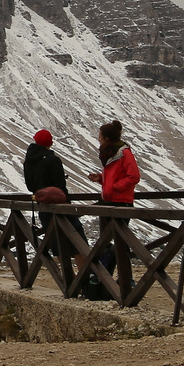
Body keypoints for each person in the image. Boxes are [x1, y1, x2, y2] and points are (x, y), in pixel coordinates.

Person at [84, 120, 140, 300]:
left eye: (99, 136)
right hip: (109, 201)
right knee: (107, 243)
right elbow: (119, 177)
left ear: (106, 138)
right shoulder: (110, 155)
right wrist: (101, 179)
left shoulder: (124, 153)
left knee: (120, 243)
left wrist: (114, 187)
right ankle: (106, 280)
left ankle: (127, 281)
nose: (98, 139)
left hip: (121, 202)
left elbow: (134, 176)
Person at [22, 129, 76, 268]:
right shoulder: (53, 160)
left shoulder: (29, 161)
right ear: (50, 143)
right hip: (59, 205)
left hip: (42, 205)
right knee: (77, 239)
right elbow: (60, 185)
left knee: (55, 240)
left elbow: (30, 185)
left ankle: (68, 276)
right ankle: (85, 278)